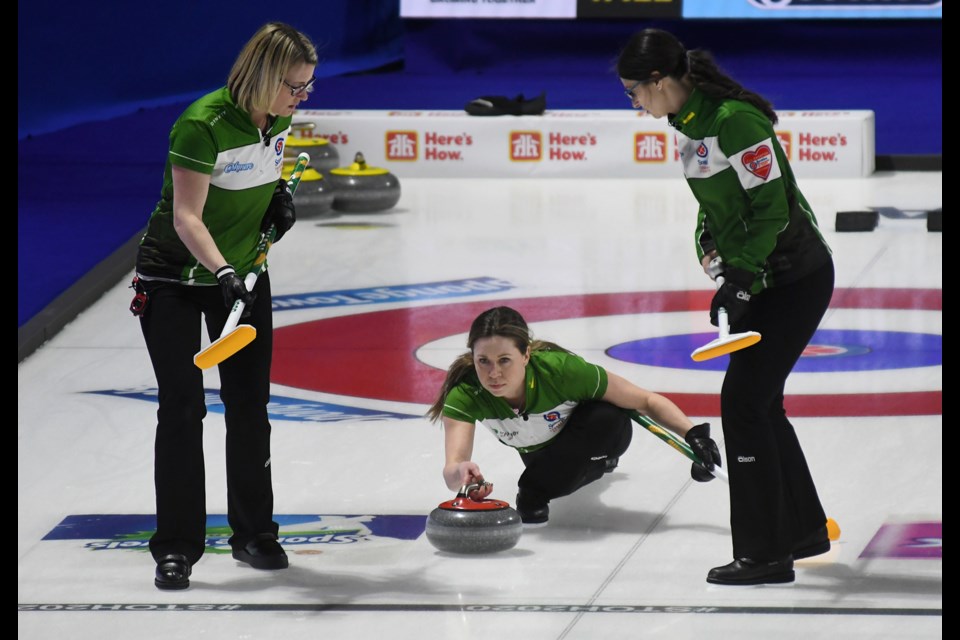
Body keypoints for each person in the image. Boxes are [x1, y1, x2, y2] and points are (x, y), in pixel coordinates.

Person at [616, 28, 835, 586]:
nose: (635, 105)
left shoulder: (734, 120)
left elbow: (773, 207)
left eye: (634, 92)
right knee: (761, 405)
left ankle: (764, 555)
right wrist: (712, 253)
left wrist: (743, 277)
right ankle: (802, 531)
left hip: (794, 278)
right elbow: (712, 206)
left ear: (659, 81)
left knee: (742, 405)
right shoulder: (686, 123)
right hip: (760, 280)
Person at [131, 22, 318, 590]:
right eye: (293, 86)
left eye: (307, 87)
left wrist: (276, 201)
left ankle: (255, 533)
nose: (300, 98)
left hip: (244, 276)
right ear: (263, 78)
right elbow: (187, 216)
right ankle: (178, 545)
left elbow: (258, 173)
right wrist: (224, 271)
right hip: (176, 277)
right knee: (183, 409)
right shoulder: (201, 124)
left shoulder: (277, 117)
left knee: (250, 407)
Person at [426, 305, 721, 527]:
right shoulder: (466, 393)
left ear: (526, 356)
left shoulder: (562, 371)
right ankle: (562, 477)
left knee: (605, 416)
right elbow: (453, 469)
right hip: (540, 454)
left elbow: (645, 400)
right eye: (483, 361)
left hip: (599, 434)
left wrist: (694, 436)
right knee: (558, 471)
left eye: (505, 360)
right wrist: (463, 477)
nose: (494, 373)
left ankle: (536, 488)